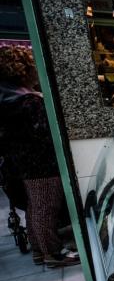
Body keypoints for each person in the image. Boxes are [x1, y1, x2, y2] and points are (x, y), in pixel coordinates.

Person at [0, 45, 79, 267]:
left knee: (35, 207)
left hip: (22, 164)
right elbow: (45, 132)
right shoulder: (28, 102)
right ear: (23, 70)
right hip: (40, 163)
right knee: (46, 206)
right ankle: (53, 254)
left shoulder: (8, 99)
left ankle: (38, 250)